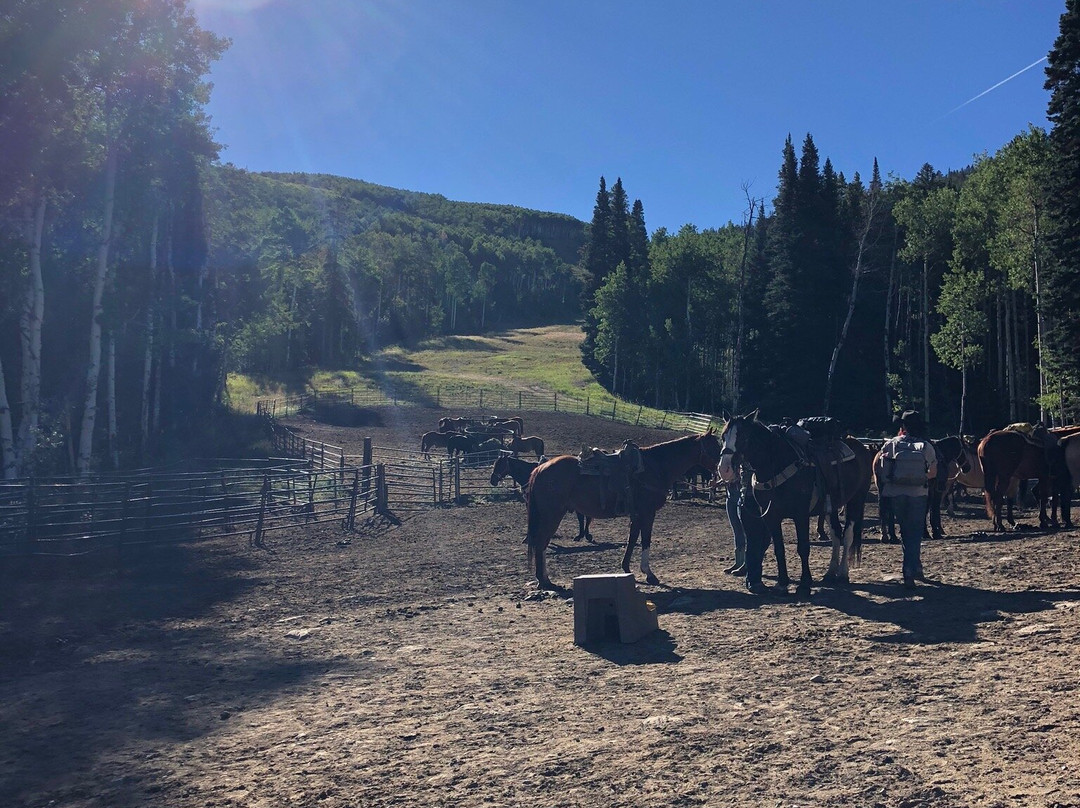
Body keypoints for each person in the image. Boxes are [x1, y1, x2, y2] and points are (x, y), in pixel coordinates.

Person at [875, 410, 938, 589]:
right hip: (918, 493)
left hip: (895, 493)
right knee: (915, 532)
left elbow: (881, 467)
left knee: (904, 530)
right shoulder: (925, 446)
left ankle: (914, 567)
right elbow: (933, 473)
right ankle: (909, 569)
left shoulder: (892, 444)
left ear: (902, 427)